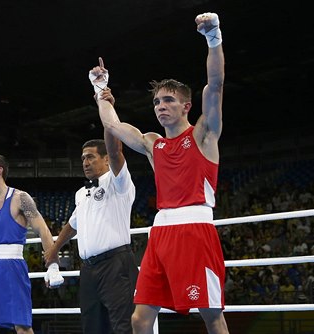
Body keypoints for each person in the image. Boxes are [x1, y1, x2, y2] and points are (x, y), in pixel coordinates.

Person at [88, 12, 229, 334]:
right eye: (156, 102)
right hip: (160, 232)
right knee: (139, 318)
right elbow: (112, 124)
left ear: (186, 106)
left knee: (210, 314)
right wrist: (100, 88)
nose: (160, 106)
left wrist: (213, 37)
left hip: (195, 228)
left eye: (168, 100)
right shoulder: (153, 144)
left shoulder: (204, 135)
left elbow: (216, 86)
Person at [44, 134, 139, 333]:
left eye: (90, 157)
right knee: (92, 326)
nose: (85, 163)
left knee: (123, 326)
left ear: (106, 159)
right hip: (88, 269)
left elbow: (116, 152)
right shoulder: (81, 193)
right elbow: (73, 223)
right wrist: (54, 250)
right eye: (83, 159)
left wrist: (109, 122)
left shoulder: (118, 183)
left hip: (116, 264)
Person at [0, 154, 64, 334]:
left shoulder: (20, 198)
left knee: (22, 326)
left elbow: (43, 230)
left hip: (12, 266)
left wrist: (53, 265)